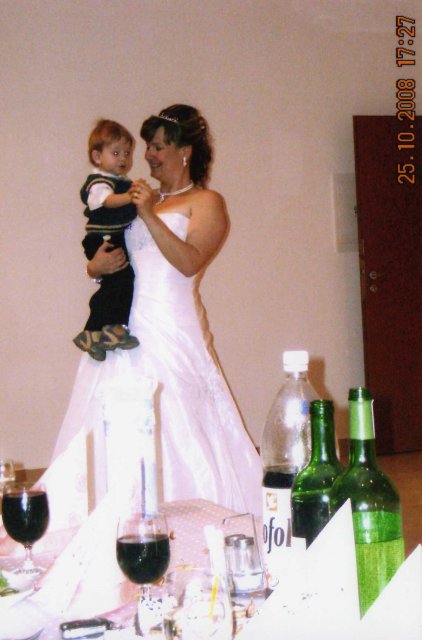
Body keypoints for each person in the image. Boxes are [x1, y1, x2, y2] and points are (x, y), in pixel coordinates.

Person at [73, 119, 140, 362]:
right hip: (102, 239)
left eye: (127, 153)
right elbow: (108, 202)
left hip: (112, 237)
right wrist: (130, 196)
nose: (123, 159)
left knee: (121, 282)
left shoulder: (121, 183)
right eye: (116, 153)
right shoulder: (99, 183)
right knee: (118, 281)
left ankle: (106, 329)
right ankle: (98, 330)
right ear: (97, 156)